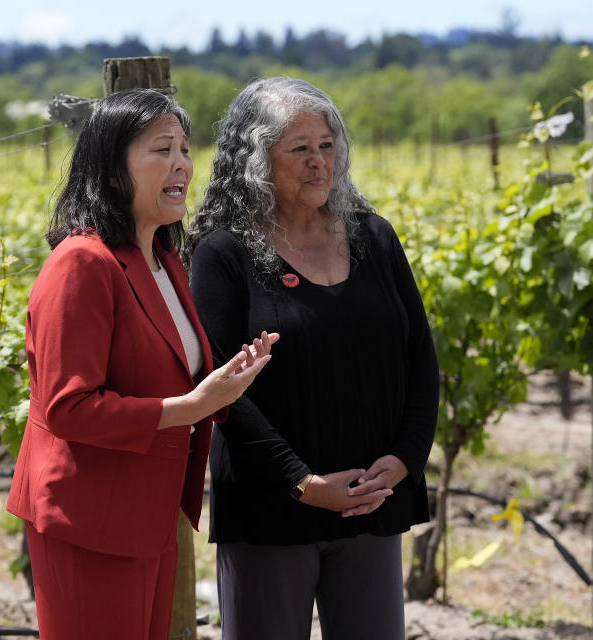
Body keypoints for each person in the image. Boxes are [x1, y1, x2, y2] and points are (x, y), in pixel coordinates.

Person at [7, 88, 277, 640]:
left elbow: (170, 372)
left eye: (184, 147)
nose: (181, 163)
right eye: (161, 150)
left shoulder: (163, 257)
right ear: (112, 172)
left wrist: (220, 386)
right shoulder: (82, 262)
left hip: (146, 517)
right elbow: (68, 407)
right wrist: (190, 407)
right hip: (89, 520)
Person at [185, 77, 440, 640]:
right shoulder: (222, 253)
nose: (318, 162)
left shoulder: (374, 238)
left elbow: (420, 355)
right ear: (256, 159)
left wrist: (404, 459)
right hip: (270, 510)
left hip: (371, 502)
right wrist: (302, 482)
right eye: (299, 149)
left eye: (326, 145)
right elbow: (222, 387)